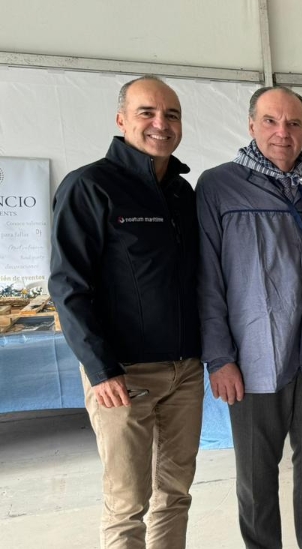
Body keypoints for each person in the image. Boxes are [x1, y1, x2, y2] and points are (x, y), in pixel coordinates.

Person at [196, 86, 302, 549]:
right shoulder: (218, 186)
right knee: (255, 478)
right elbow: (206, 279)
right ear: (251, 125)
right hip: (252, 361)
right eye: (270, 121)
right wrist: (218, 358)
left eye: (293, 123)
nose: (282, 132)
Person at [49, 75, 203, 549]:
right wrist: (101, 370)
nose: (162, 123)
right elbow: (68, 287)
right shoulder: (89, 186)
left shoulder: (182, 193)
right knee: (126, 501)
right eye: (147, 113)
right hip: (124, 374)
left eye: (171, 114)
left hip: (185, 372)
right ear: (121, 120)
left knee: (175, 493)